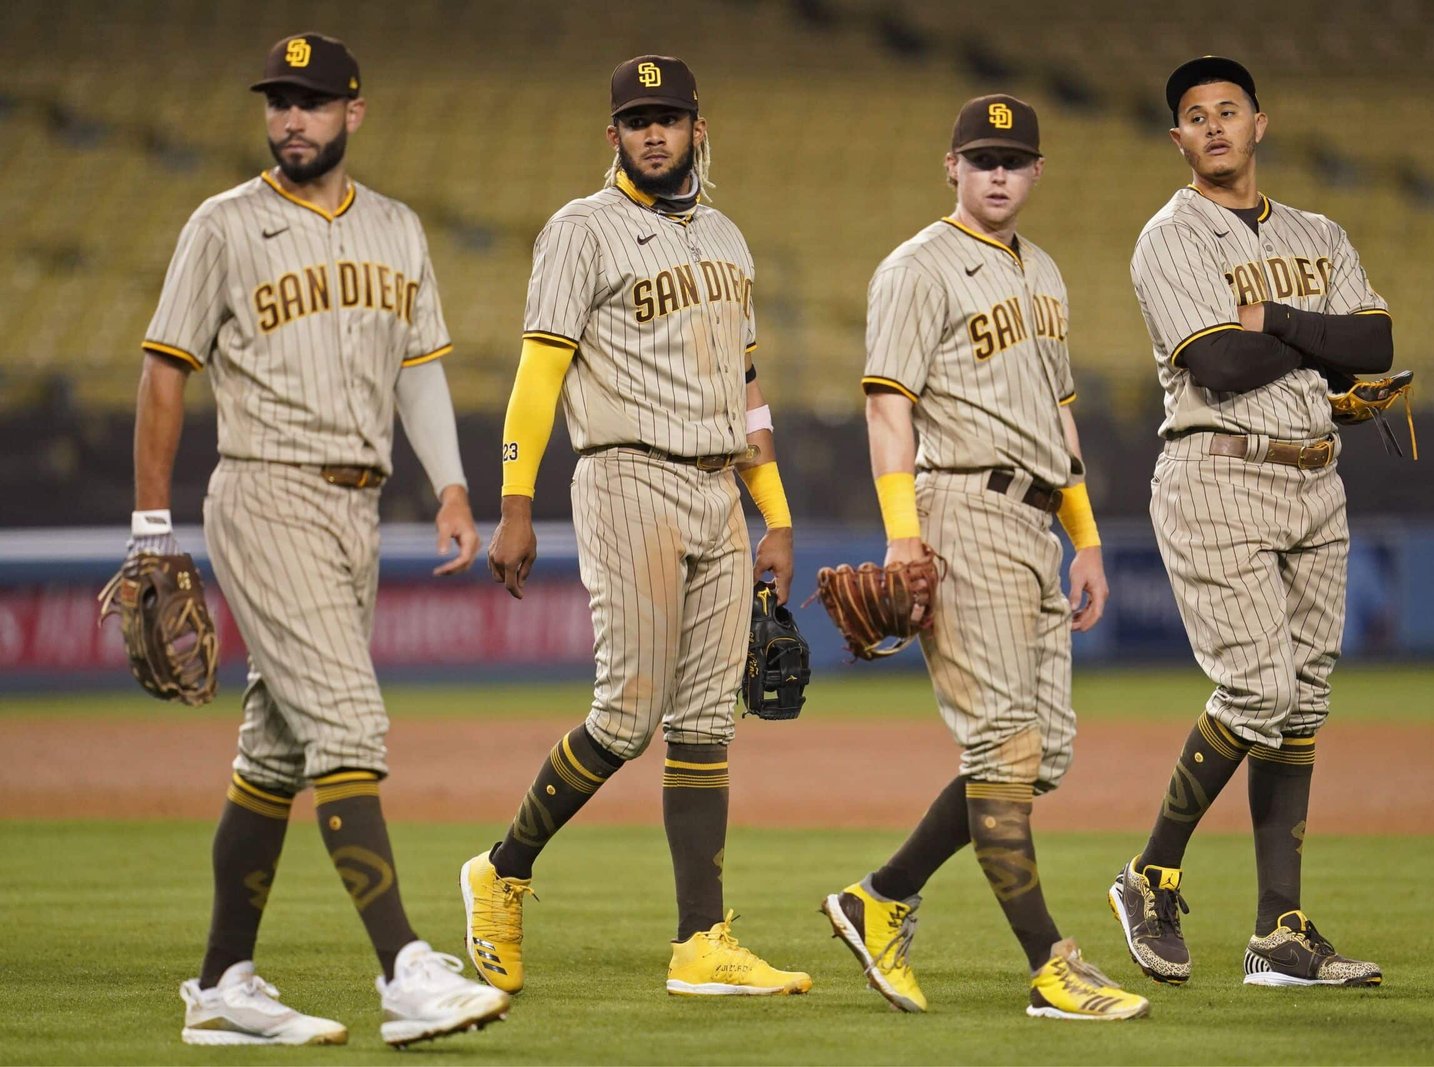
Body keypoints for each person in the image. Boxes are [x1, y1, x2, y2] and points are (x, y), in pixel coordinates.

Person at [134, 33, 510, 1047]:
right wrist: (149, 527)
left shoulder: (397, 227)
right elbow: (165, 367)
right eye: (278, 101)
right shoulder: (223, 225)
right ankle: (404, 967)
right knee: (349, 721)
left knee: (277, 747)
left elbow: (418, 366)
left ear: (354, 112)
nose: (291, 118)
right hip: (266, 488)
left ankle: (222, 983)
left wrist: (451, 485)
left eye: (310, 101)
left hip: (357, 507)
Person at [459, 55, 809, 999]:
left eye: (670, 117)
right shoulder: (580, 231)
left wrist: (775, 513)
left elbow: (746, 389)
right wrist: (516, 502)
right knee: (627, 713)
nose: (655, 132)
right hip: (627, 475)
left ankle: (701, 941)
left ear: (699, 128)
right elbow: (538, 376)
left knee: (706, 722)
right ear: (611, 134)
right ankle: (501, 870)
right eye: (638, 119)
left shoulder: (728, 239)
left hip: (718, 488)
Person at [820, 94, 1149, 1022]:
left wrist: (1085, 536)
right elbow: (888, 407)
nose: (997, 174)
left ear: (1037, 172)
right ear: (952, 168)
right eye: (981, 159)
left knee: (1039, 756)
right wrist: (902, 532)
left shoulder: (1043, 270)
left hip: (1037, 521)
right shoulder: (917, 268)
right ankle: (1051, 966)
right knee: (1003, 744)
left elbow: (1058, 415)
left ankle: (880, 897)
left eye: (1013, 160)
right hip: (960, 506)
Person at [1109, 56, 1390, 988]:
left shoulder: (1318, 231)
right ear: (1178, 139)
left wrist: (1270, 317)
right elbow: (1221, 366)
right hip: (1218, 471)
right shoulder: (1170, 237)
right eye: (1196, 116)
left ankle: (1280, 932)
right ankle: (1149, 873)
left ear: (1259, 124)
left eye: (1229, 110)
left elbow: (1376, 343)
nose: (1215, 126)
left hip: (1316, 474)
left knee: (1302, 704)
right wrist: (1317, 339)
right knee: (1260, 689)